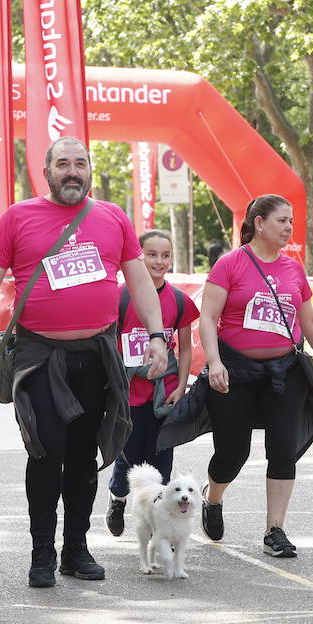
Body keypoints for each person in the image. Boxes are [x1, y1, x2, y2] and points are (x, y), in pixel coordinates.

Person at [0, 137, 169, 588]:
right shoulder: (18, 217)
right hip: (40, 357)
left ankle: (75, 548)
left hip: (97, 356)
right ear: (47, 171)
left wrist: (157, 337)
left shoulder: (113, 217)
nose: (72, 171)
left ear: (90, 170)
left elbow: (139, 283)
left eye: (80, 163)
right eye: (62, 163)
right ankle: (42, 552)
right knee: (45, 451)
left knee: (82, 455)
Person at [185, 195, 313, 558]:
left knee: (283, 447)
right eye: (282, 221)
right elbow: (208, 317)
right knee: (232, 452)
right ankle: (214, 497)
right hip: (235, 369)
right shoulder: (230, 264)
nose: (289, 228)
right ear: (259, 223)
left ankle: (275, 530)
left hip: (283, 372)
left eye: (291, 221)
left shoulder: (293, 269)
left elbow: (309, 321)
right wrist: (214, 362)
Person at [105, 229, 199, 537]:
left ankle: (161, 526)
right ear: (138, 257)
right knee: (128, 459)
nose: (159, 261)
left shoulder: (180, 300)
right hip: (129, 394)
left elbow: (185, 348)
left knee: (161, 461)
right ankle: (118, 498)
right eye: (151, 254)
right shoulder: (119, 296)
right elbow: (107, 343)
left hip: (163, 396)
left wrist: (181, 385)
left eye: (165, 255)